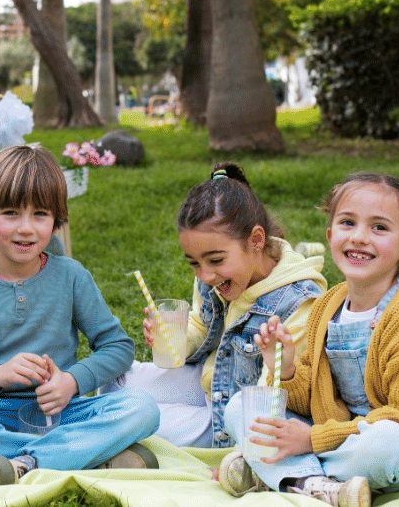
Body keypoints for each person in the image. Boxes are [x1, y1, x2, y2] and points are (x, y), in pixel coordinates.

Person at [218, 172, 399, 507]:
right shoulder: (327, 305)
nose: (360, 237)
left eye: (379, 227)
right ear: (330, 233)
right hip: (340, 435)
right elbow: (311, 401)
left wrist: (312, 439)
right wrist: (287, 367)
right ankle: (318, 485)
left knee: (384, 448)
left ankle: (281, 472)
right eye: (348, 223)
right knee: (240, 407)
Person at [0, 145, 161, 485]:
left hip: (61, 412)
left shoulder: (72, 277)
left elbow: (118, 347)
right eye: (11, 213)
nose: (26, 229)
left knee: (143, 407)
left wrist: (72, 381)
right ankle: (77, 457)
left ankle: (19, 464)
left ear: (56, 220)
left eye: (40, 215)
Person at [100, 163, 326, 449]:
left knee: (129, 416)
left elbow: (274, 400)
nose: (205, 275)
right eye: (194, 262)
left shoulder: (298, 302)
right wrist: (175, 341)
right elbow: (201, 324)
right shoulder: (219, 278)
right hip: (210, 381)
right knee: (116, 381)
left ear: (256, 240)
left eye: (215, 260)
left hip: (236, 418)